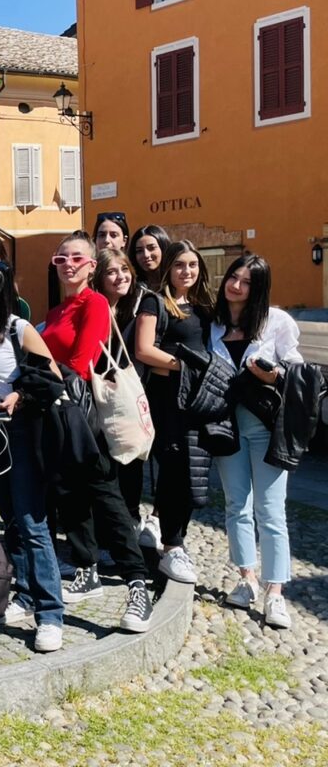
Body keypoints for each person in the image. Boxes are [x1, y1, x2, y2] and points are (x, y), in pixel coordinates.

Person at [40, 231, 154, 633]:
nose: (68, 265)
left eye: (77, 259)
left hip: (86, 417)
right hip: (56, 416)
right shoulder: (55, 312)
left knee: (107, 498)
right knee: (69, 495)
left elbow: (81, 359)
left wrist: (41, 375)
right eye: (61, 259)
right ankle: (86, 569)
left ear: (91, 267)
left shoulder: (96, 303)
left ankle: (138, 585)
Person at [0, 258, 65, 651]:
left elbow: (53, 377)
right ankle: (24, 594)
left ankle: (51, 614)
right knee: (9, 520)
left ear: (0, 292)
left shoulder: (16, 329)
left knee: (32, 523)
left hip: (18, 433)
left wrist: (19, 395)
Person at [210, 254, 301, 628]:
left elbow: (297, 374)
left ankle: (275, 591)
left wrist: (272, 375)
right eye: (234, 277)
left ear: (258, 288)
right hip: (225, 425)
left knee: (270, 510)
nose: (237, 286)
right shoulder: (213, 324)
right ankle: (247, 578)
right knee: (236, 505)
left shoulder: (277, 321)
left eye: (247, 281)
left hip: (265, 425)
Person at [135, 240, 215, 585]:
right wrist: (182, 364)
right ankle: (171, 546)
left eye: (193, 265)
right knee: (172, 467)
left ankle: (177, 541)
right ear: (168, 268)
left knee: (191, 469)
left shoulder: (204, 306)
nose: (187, 271)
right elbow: (143, 348)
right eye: (181, 265)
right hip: (167, 397)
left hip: (197, 397)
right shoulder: (155, 301)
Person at [90, 248, 159, 544]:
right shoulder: (94, 309)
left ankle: (129, 526)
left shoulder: (138, 308)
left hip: (129, 399)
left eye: (124, 270)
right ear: (99, 279)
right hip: (99, 399)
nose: (120, 277)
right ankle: (109, 533)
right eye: (111, 272)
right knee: (106, 469)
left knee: (131, 465)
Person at [127, 224, 171, 292]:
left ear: (163, 248)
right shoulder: (130, 288)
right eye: (139, 251)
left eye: (151, 248)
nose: (146, 255)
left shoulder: (177, 283)